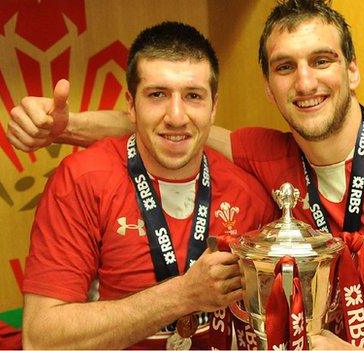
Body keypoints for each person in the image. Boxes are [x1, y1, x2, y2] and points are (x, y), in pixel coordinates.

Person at [8, 0, 364, 349]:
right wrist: (62, 126)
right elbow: (167, 125)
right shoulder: (263, 158)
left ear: (351, 70)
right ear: (268, 86)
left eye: (321, 60)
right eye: (284, 67)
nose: (305, 82)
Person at [18, 21, 276, 350]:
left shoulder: (249, 192)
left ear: (214, 108)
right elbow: (41, 340)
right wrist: (182, 295)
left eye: (193, 96)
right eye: (157, 95)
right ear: (131, 104)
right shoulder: (82, 180)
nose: (177, 116)